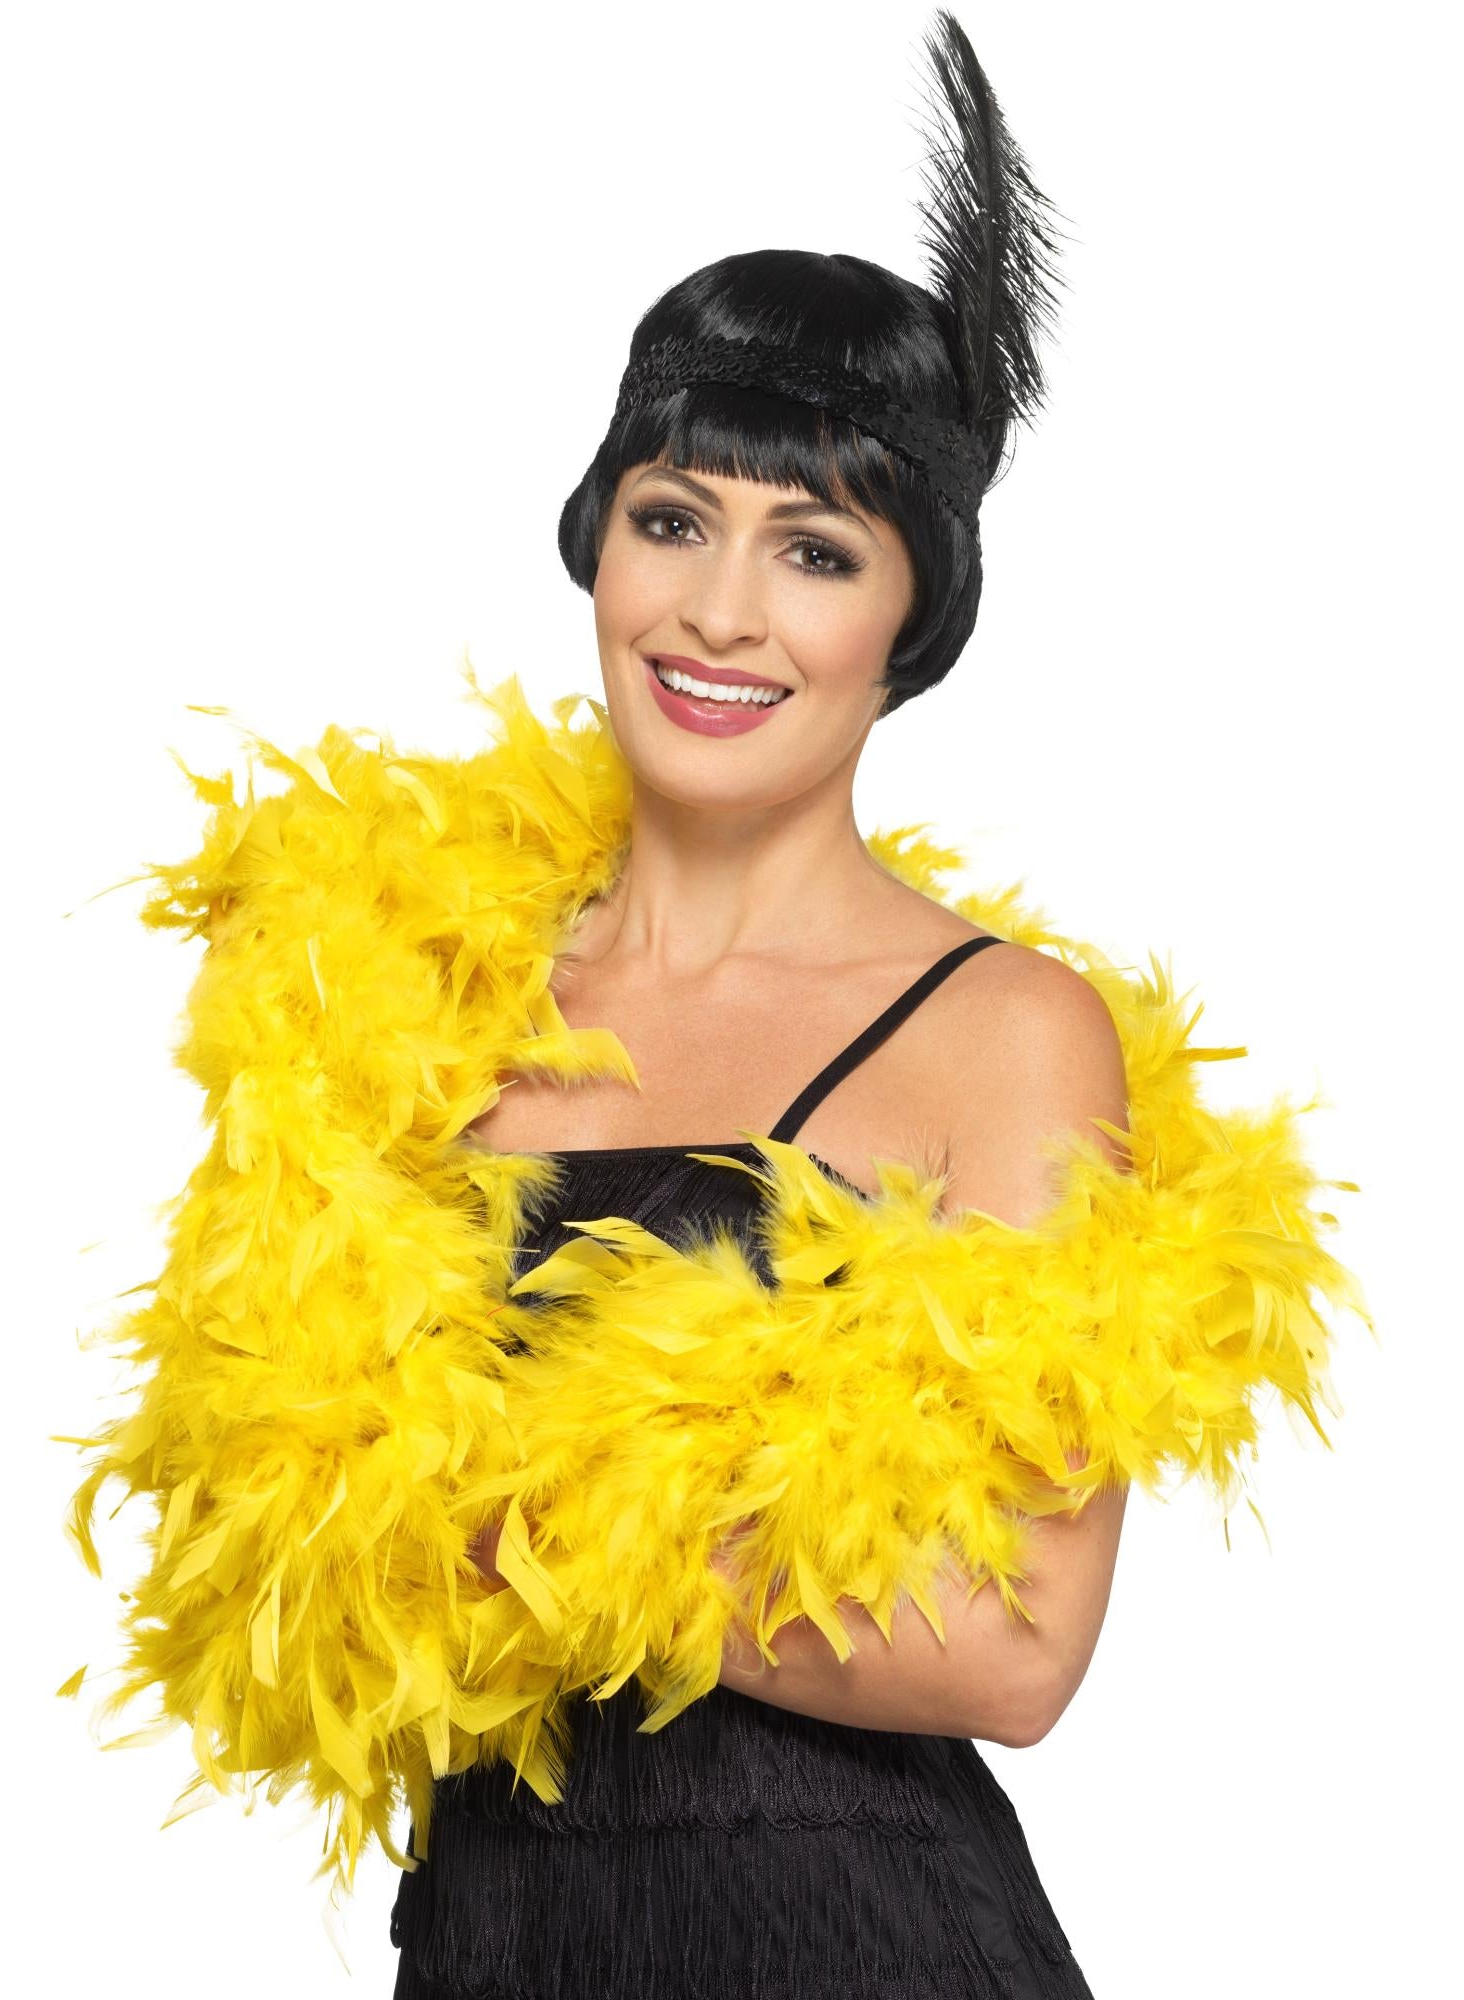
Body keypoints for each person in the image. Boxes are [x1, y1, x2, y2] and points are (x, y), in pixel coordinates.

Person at [390, 12, 1121, 1996]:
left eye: (814, 549)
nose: (721, 611)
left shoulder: (1002, 1034)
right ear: (597, 543)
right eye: (673, 519)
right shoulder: (416, 995)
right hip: (494, 1932)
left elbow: (1016, 1644)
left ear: (910, 618)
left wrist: (512, 1527)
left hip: (857, 1938)